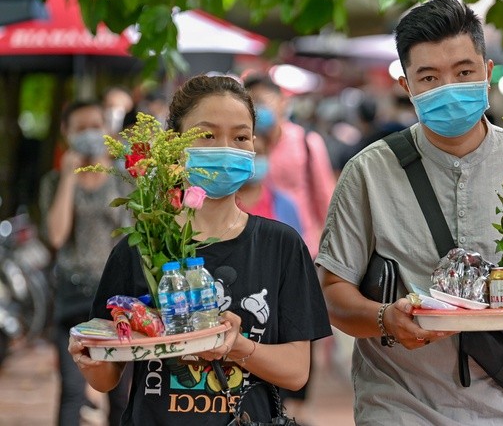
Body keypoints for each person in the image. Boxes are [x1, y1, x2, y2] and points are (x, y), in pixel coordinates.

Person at [316, 0, 503, 425]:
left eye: (463, 72)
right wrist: (386, 319)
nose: (448, 88)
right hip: (397, 402)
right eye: (429, 77)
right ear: (407, 87)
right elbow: (333, 292)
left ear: (487, 72)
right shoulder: (367, 173)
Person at [67, 74, 332, 425]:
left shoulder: (281, 245)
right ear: (175, 144)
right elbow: (107, 378)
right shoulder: (140, 248)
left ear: (254, 145)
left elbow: (297, 371)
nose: (225, 148)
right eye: (207, 135)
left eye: (240, 137)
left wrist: (238, 347)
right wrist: (90, 358)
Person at [39, 101, 132, 425]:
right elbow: (56, 235)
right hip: (73, 298)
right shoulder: (53, 181)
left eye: (96, 125)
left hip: (118, 301)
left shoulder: (122, 178)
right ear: (66, 133)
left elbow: (132, 234)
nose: (90, 134)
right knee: (72, 392)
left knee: (122, 395)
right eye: (81, 128)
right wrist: (68, 176)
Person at [243, 74, 336, 259]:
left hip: (305, 248)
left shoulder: (306, 142)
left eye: (262, 101)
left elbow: (326, 199)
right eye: (251, 104)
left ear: (282, 103)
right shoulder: (243, 145)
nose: (257, 109)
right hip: (257, 249)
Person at [237, 134, 304, 236]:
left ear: (268, 155)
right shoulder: (222, 205)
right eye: (248, 155)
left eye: (259, 153)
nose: (253, 160)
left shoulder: (285, 205)